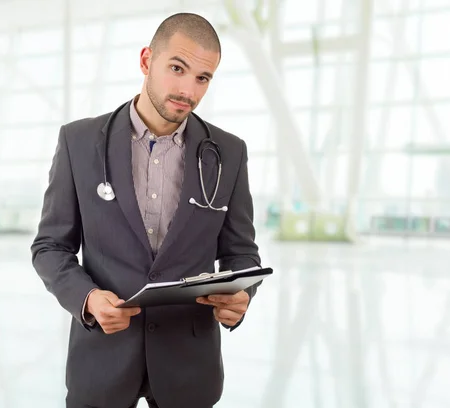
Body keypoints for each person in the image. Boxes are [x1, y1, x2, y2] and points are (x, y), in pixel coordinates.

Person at [31, 12, 263, 408]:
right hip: (102, 360)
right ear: (145, 61)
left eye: (202, 78)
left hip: (188, 369)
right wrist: (87, 298)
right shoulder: (79, 142)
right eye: (177, 68)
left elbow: (241, 253)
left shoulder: (228, 153)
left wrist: (242, 295)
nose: (187, 89)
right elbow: (51, 247)